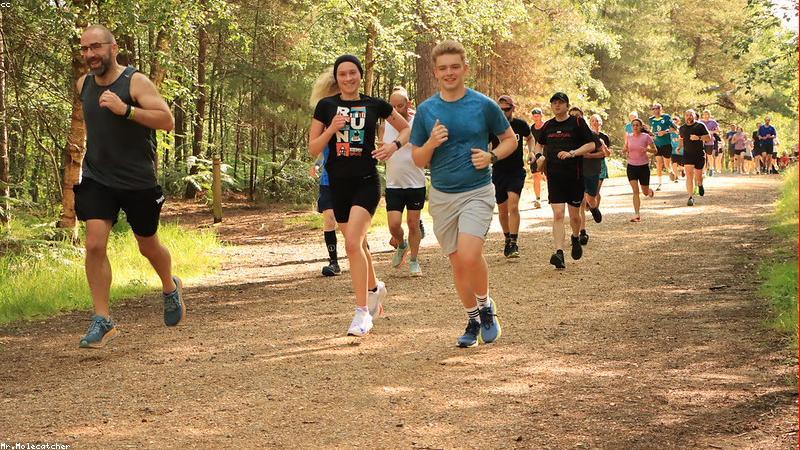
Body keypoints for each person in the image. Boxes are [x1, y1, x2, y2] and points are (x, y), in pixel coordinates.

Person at [74, 25, 183, 348]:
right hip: (97, 178)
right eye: (85, 49)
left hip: (137, 181)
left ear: (113, 48)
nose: (90, 54)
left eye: (96, 47)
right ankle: (102, 319)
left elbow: (167, 121)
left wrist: (127, 110)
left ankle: (169, 287)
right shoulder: (83, 85)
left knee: (148, 246)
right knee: (94, 244)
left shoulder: (135, 82)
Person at [410, 40, 516, 348]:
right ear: (435, 72)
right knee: (458, 263)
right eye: (443, 68)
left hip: (477, 191)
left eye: (455, 66)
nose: (449, 73)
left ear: (465, 68)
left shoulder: (483, 104)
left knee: (470, 255)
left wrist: (491, 156)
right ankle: (472, 320)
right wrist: (431, 143)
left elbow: (509, 139)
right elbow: (418, 159)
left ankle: (486, 307)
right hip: (442, 196)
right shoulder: (427, 110)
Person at [308, 54, 411, 337]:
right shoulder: (326, 106)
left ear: (360, 75)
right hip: (338, 185)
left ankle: (362, 313)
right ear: (337, 78)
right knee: (359, 245)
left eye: (353, 73)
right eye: (342, 74)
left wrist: (393, 146)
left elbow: (406, 128)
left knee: (352, 244)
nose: (348, 78)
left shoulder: (375, 104)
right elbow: (313, 148)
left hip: (366, 182)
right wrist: (332, 128)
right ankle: (374, 288)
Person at [533, 93, 597, 269]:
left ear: (567, 105)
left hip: (574, 176)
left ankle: (575, 237)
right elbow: (539, 143)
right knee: (558, 214)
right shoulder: (548, 125)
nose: (557, 105)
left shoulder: (577, 123)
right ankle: (559, 253)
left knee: (575, 216)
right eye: (554, 103)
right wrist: (539, 156)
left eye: (560, 103)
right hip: (554, 177)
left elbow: (591, 144)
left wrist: (572, 153)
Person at [383, 86, 425, 276]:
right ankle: (401, 244)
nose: (395, 110)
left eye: (399, 106)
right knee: (393, 225)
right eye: (392, 106)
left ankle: (414, 260)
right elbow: (382, 149)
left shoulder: (418, 123)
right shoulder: (384, 125)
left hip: (416, 182)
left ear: (408, 104)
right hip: (394, 183)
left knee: (413, 224)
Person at [490, 95, 531, 258]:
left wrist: (532, 152)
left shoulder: (520, 125)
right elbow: (485, 144)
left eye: (506, 109)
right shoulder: (492, 127)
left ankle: (514, 242)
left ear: (513, 109)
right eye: (499, 110)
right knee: (502, 209)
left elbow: (530, 138)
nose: (503, 113)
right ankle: (507, 238)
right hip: (498, 171)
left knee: (513, 205)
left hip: (516, 171)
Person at [577, 113, 609, 245]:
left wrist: (589, 156)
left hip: (592, 170)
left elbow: (603, 153)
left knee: (591, 197)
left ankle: (594, 207)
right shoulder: (568, 136)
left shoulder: (593, 136)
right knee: (580, 202)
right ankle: (582, 232)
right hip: (576, 172)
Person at [311, 148, 342, 277]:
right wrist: (316, 165)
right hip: (327, 184)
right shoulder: (327, 136)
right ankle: (334, 263)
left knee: (351, 222)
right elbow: (323, 153)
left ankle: (362, 254)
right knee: (329, 219)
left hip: (348, 183)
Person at [624, 118, 656, 221]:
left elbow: (655, 150)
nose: (635, 127)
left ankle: (649, 191)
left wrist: (647, 149)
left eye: (637, 125)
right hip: (631, 166)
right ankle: (637, 214)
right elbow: (626, 148)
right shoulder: (629, 137)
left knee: (645, 192)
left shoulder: (646, 137)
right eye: (633, 125)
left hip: (643, 167)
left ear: (641, 126)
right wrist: (624, 150)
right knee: (635, 191)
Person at [679, 109, 712, 206]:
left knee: (698, 177)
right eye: (687, 115)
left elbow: (709, 137)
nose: (689, 117)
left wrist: (699, 137)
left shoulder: (700, 125)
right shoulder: (682, 128)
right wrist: (679, 147)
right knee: (689, 175)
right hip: (687, 154)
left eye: (691, 115)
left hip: (699, 154)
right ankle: (690, 197)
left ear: (694, 116)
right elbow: (682, 139)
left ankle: (700, 185)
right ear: (685, 117)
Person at [648, 103, 676, 189]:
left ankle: (670, 171)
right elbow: (651, 131)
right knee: (659, 163)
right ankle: (659, 183)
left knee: (667, 164)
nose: (655, 111)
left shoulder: (666, 117)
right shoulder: (651, 119)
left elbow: (674, 128)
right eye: (653, 109)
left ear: (661, 109)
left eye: (657, 109)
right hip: (657, 144)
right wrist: (652, 136)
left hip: (666, 144)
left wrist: (665, 132)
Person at [528, 108, 546, 209]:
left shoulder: (546, 127)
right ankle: (538, 198)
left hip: (546, 154)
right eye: (534, 116)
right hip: (535, 155)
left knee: (548, 176)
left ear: (541, 116)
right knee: (536, 176)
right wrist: (530, 152)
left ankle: (552, 196)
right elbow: (529, 141)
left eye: (537, 116)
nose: (536, 118)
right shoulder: (531, 129)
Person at [700, 110, 721, 176]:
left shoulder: (713, 122)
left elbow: (718, 130)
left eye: (707, 114)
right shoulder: (700, 122)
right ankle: (703, 171)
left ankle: (711, 168)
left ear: (709, 115)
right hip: (701, 141)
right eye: (705, 114)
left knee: (709, 155)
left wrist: (711, 132)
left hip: (710, 141)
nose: (706, 116)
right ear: (703, 115)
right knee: (703, 156)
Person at [670, 115, 685, 180]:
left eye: (676, 120)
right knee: (674, 163)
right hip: (673, 150)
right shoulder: (669, 133)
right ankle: (676, 176)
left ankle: (682, 170)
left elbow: (682, 139)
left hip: (681, 150)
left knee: (681, 166)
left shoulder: (679, 131)